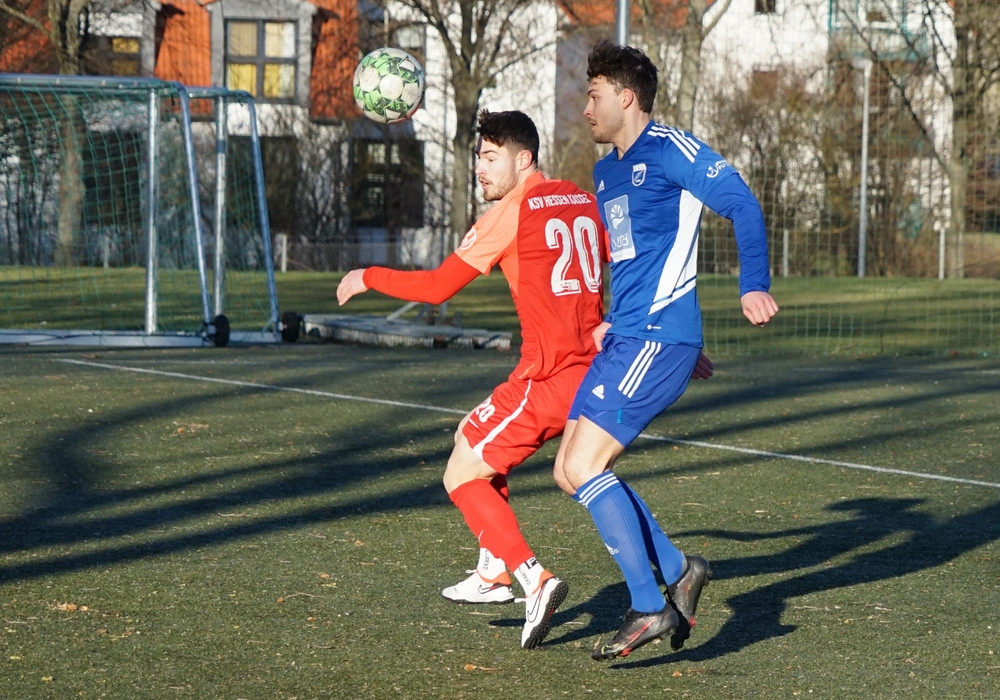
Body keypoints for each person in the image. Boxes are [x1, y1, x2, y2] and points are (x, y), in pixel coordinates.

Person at [337, 109, 608, 649]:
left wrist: (368, 275)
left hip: (547, 377)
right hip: (591, 370)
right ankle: (491, 572)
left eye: (489, 157)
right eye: (477, 158)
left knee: (459, 476)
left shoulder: (511, 212)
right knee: (469, 432)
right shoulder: (581, 200)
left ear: (523, 159)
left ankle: (533, 579)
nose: (480, 169)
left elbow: (437, 287)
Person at [552, 40, 780, 661]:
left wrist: (752, 285)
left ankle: (649, 605)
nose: (586, 109)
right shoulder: (606, 172)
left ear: (626, 97)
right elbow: (635, 258)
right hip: (630, 337)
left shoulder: (671, 149)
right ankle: (680, 570)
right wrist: (610, 321)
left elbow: (741, 203)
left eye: (593, 95)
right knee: (567, 471)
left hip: (656, 338)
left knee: (587, 466)